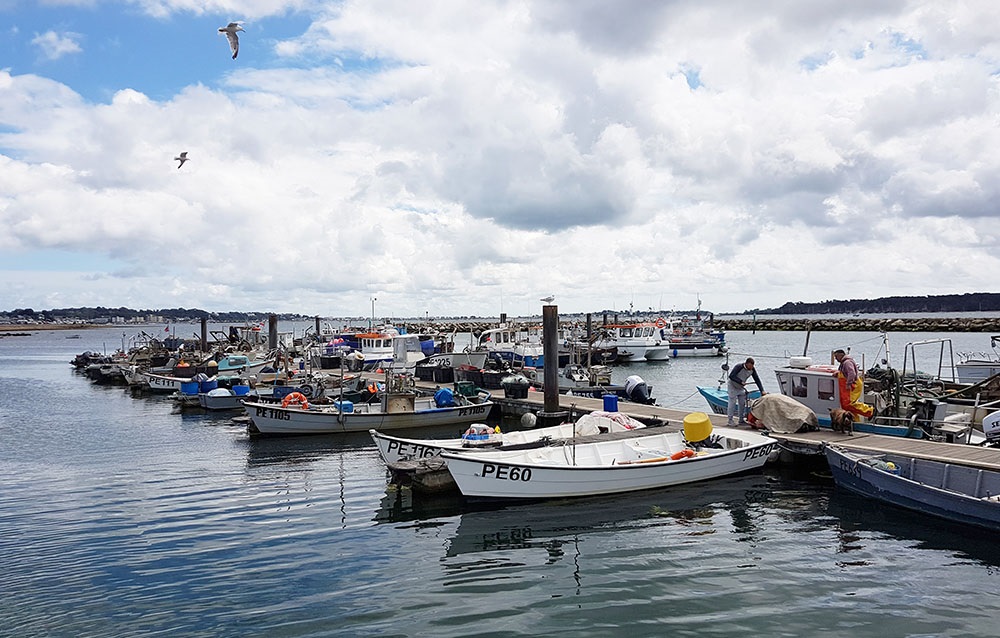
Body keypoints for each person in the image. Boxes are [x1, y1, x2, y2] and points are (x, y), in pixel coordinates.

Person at [833, 349, 874, 419]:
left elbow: (852, 373)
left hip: (853, 385)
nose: (836, 359)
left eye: (836, 357)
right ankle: (854, 419)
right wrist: (838, 373)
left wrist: (848, 384)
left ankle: (869, 411)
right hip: (851, 384)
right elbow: (845, 372)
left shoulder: (847, 363)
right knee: (845, 405)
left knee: (849, 403)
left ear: (841, 355)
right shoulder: (844, 363)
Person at [727, 357, 766, 426]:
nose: (751, 367)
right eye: (750, 366)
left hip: (740, 388)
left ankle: (741, 420)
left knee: (742, 403)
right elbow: (731, 376)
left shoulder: (752, 370)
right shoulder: (739, 367)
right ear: (746, 363)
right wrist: (740, 381)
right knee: (732, 403)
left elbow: (757, 380)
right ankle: (730, 420)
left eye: (752, 366)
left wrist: (762, 390)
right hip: (732, 386)